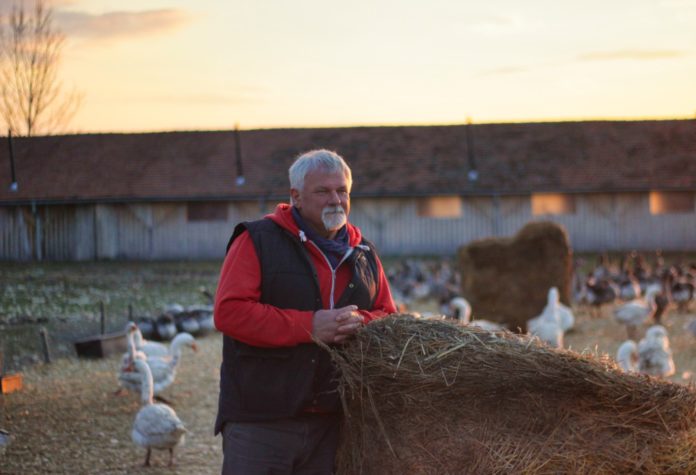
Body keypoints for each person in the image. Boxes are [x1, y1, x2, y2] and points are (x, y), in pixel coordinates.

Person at [214, 149, 397, 474]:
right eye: (322, 191)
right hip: (261, 420)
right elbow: (230, 312)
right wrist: (310, 325)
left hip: (332, 423)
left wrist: (360, 323)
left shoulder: (364, 253)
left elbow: (389, 316)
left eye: (342, 191)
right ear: (296, 197)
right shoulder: (257, 240)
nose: (335, 200)